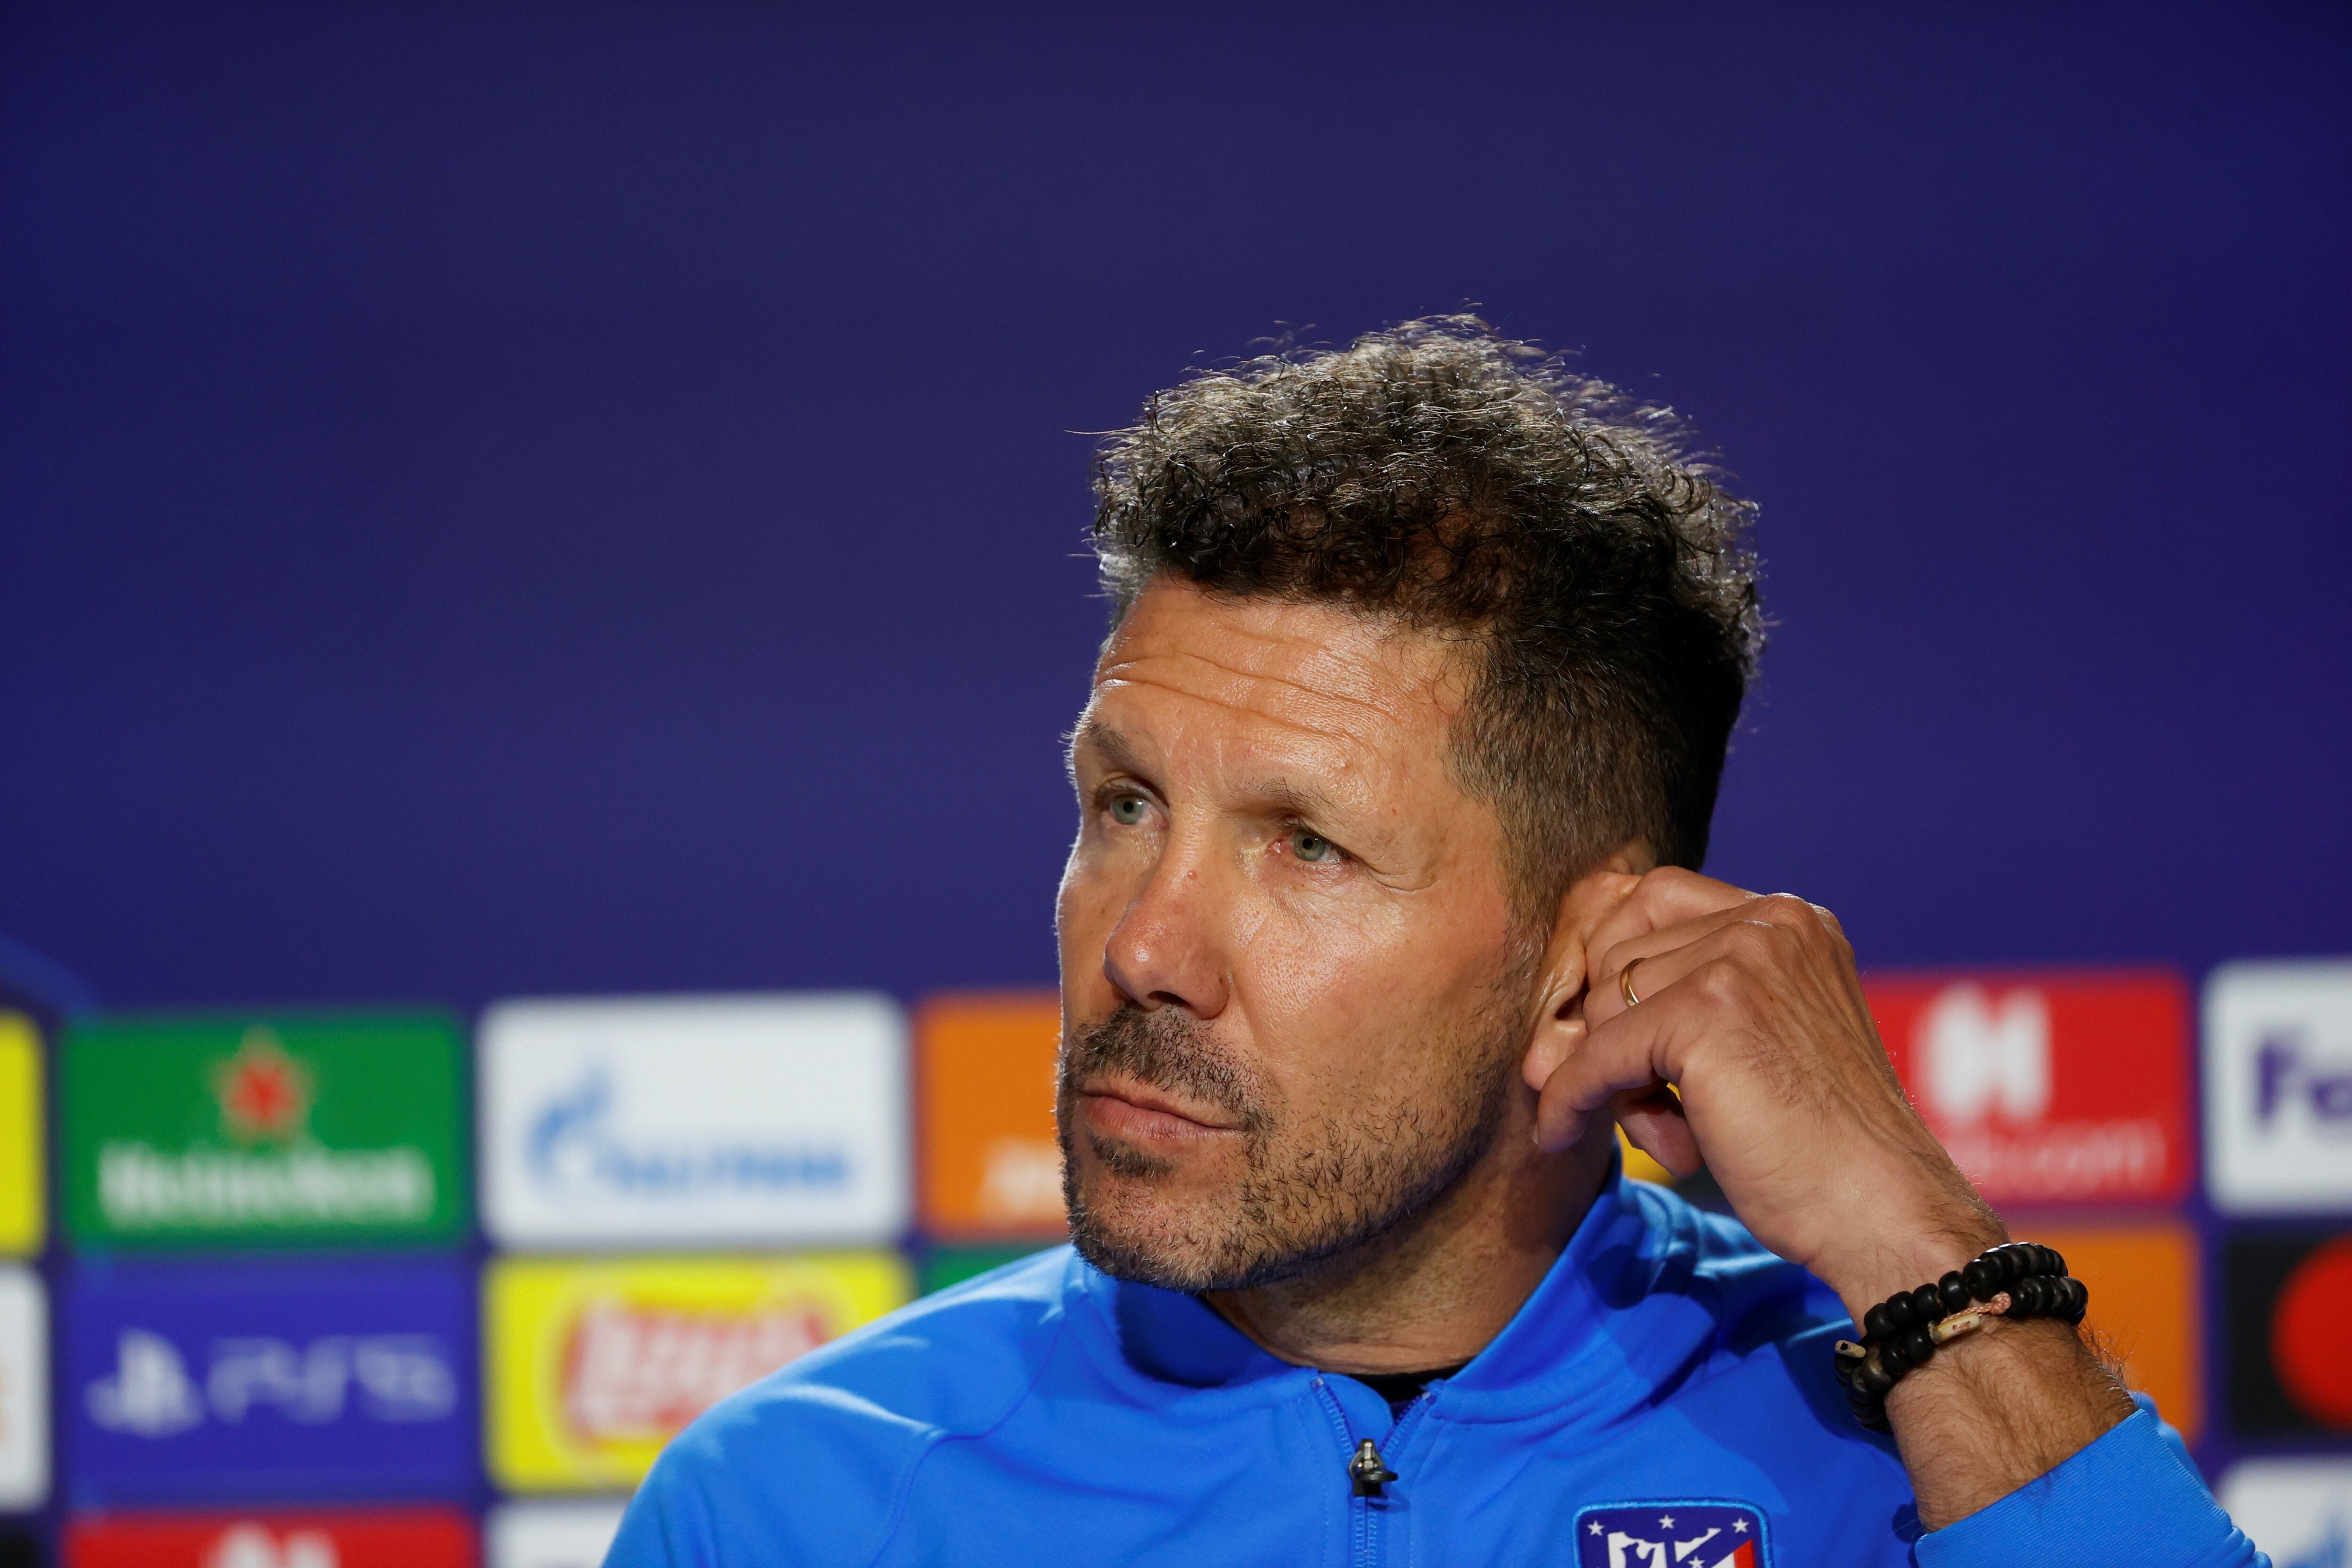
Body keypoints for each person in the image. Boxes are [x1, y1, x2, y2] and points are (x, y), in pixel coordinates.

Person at [607, 318, 2259, 1567]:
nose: (1147, 948)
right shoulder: (792, 1504)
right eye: (1121, 807)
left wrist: (1915, 1248)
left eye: (1307, 846)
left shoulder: (1918, 1454)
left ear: (1590, 954)